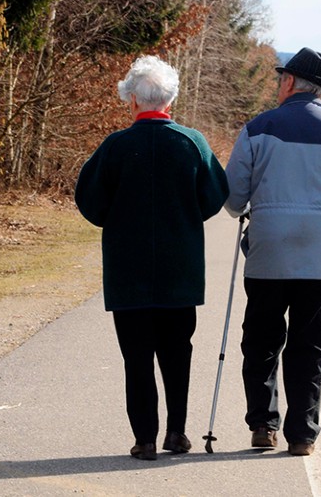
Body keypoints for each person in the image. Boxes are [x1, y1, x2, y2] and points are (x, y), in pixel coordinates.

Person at [224, 47, 321, 456]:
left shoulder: (257, 128)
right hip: (320, 256)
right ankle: (303, 434)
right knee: (310, 346)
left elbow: (233, 198)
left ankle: (263, 424)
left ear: (290, 82)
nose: (278, 85)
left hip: (268, 252)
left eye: (281, 79)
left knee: (260, 341)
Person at [75, 55, 229, 460]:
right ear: (170, 101)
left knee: (136, 357)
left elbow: (89, 201)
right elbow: (215, 195)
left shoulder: (115, 147)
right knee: (179, 352)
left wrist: (116, 218)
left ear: (132, 100)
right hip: (181, 271)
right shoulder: (192, 143)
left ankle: (145, 438)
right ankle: (176, 433)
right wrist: (187, 215)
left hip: (129, 272)